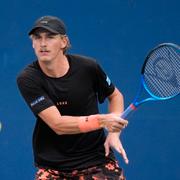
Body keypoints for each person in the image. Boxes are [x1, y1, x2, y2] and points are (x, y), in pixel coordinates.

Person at [17, 15, 128, 180]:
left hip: (97, 161)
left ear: (64, 42)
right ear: (32, 43)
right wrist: (103, 121)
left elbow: (116, 96)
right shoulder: (28, 78)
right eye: (37, 38)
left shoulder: (89, 67)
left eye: (50, 37)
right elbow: (58, 125)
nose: (43, 43)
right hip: (53, 168)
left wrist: (113, 133)